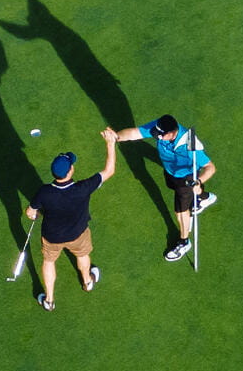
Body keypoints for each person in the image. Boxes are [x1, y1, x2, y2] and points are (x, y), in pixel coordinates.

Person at [25, 128, 117, 311]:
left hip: (52, 237)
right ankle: (87, 282)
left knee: (49, 262)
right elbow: (109, 170)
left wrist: (39, 213)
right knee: (82, 255)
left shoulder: (44, 191)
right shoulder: (83, 188)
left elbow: (30, 212)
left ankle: (49, 300)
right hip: (78, 234)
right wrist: (110, 144)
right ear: (70, 170)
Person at [112, 115, 217, 261]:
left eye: (161, 136)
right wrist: (115, 137)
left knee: (180, 211)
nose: (158, 138)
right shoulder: (160, 127)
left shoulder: (190, 145)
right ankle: (204, 198)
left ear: (172, 133)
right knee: (174, 189)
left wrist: (198, 181)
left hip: (186, 179)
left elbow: (210, 168)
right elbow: (134, 133)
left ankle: (184, 241)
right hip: (170, 171)